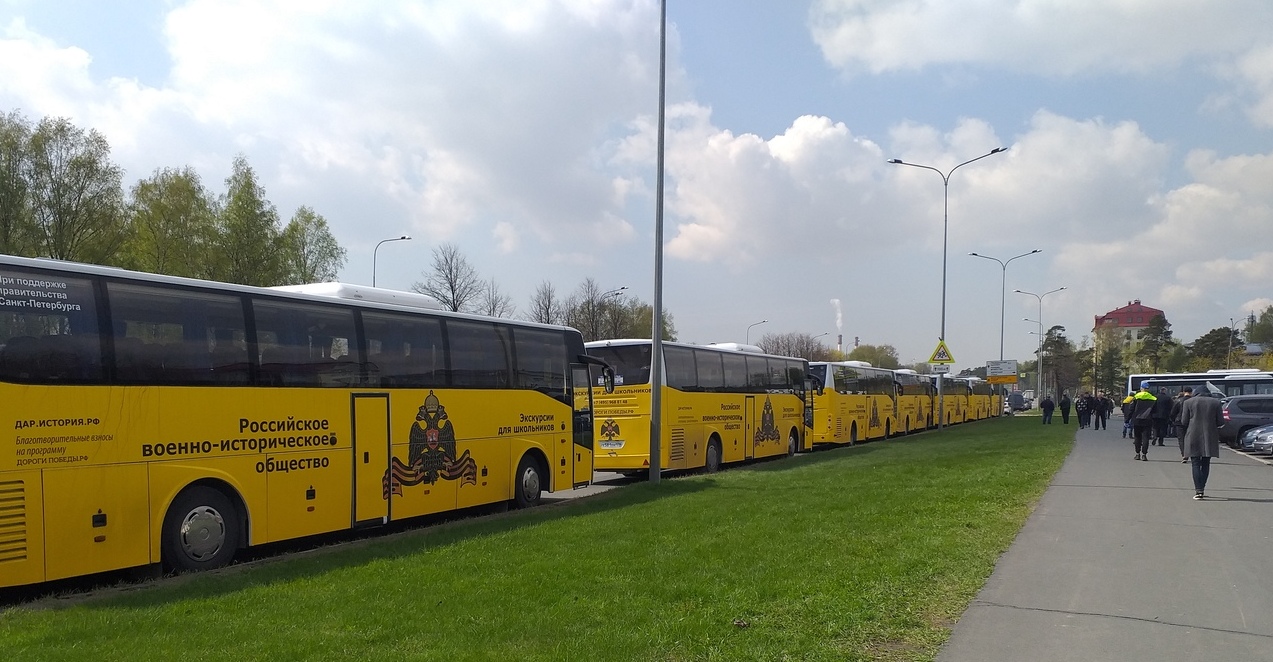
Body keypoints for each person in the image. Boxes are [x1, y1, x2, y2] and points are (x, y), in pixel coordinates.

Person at [1179, 386, 1224, 499]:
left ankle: (1198, 490)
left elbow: (1184, 421)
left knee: (1195, 463)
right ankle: (1202, 488)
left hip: (1193, 434)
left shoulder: (1188, 402)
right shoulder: (1216, 402)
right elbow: (1220, 422)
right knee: (1206, 463)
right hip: (1210, 435)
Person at [1128, 381, 1157, 460]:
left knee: (1137, 437)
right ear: (1148, 389)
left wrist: (1128, 419)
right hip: (1148, 419)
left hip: (1137, 419)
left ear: (1141, 388)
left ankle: (1137, 454)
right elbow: (1155, 410)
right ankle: (1144, 454)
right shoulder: (1153, 398)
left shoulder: (1136, 397)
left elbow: (1131, 409)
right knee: (1146, 437)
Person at [1170, 387, 1193, 463]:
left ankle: (1184, 455)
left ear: (1184, 392)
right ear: (1191, 392)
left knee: (1181, 439)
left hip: (1179, 422)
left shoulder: (1178, 400)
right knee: (1190, 438)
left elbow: (1173, 412)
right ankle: (1191, 453)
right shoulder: (1193, 401)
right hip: (1191, 422)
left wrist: (1173, 420)